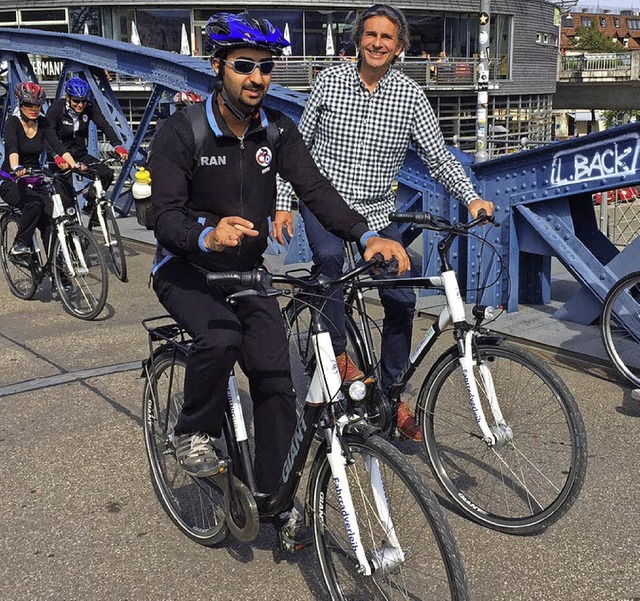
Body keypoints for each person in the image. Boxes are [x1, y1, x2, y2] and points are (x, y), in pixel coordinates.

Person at [148, 12, 408, 546]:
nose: (256, 78)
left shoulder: (277, 131)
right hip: (185, 268)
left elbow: (315, 189)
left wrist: (365, 236)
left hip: (247, 273)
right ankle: (191, 430)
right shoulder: (182, 132)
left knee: (276, 385)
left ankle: (273, 498)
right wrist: (206, 234)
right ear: (217, 67)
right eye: (244, 67)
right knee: (219, 336)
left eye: (266, 69)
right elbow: (160, 215)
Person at [274, 3, 494, 441]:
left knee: (401, 295)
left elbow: (437, 157)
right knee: (331, 260)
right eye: (370, 35)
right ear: (358, 39)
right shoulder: (329, 83)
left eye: (387, 38)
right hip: (327, 206)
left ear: (398, 48)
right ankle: (335, 357)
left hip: (376, 213)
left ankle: (393, 395)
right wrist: (284, 202)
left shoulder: (411, 95)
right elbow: (297, 150)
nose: (377, 43)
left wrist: (471, 198)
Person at [0, 82, 79, 256]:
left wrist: (75, 165)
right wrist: (17, 167)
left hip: (35, 179)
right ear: (20, 104)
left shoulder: (43, 123)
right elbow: (12, 149)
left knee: (51, 222)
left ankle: (58, 273)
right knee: (34, 203)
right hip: (11, 179)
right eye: (29, 104)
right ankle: (19, 244)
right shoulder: (12, 123)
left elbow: (58, 146)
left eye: (37, 105)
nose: (34, 108)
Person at [45, 76, 128, 212]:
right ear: (68, 98)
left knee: (106, 174)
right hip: (60, 158)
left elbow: (104, 125)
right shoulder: (55, 110)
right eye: (76, 101)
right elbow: (48, 137)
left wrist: (117, 145)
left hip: (80, 155)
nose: (80, 105)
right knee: (68, 202)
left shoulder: (89, 108)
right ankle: (69, 229)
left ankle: (90, 206)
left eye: (83, 101)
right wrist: (55, 156)